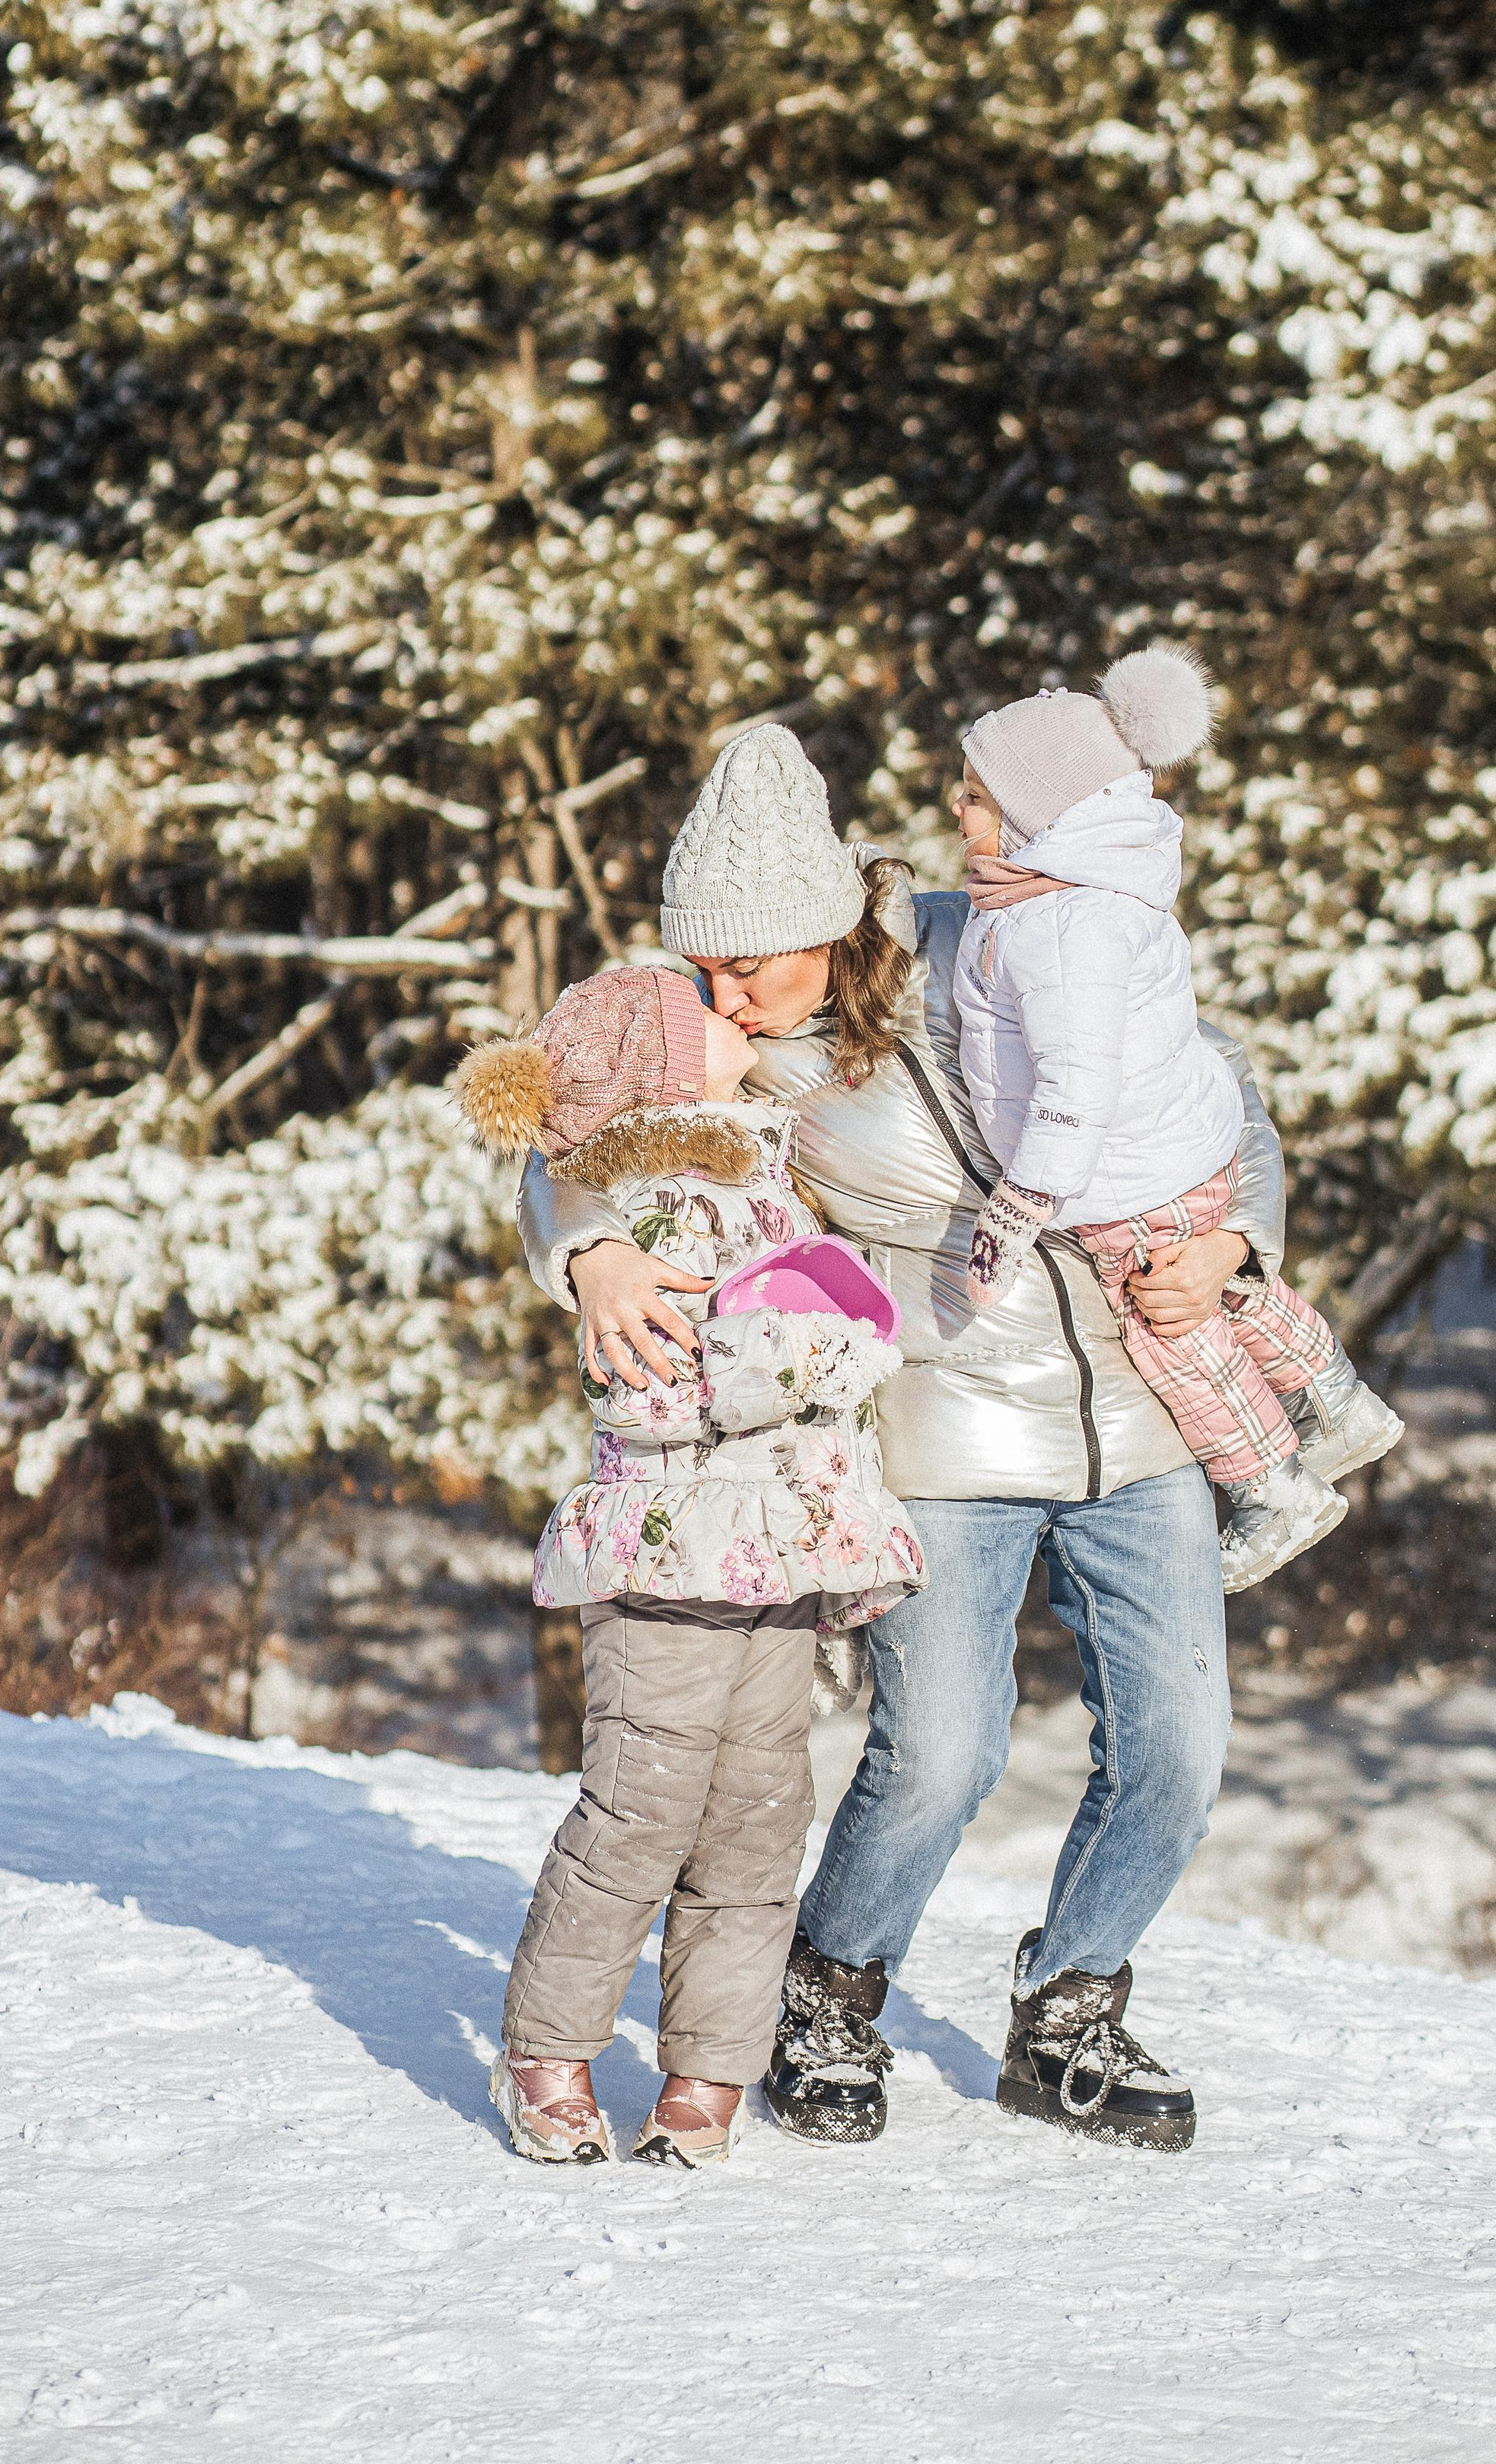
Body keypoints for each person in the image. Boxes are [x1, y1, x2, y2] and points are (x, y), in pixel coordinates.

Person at [520, 722, 1285, 2154]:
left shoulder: (993, 935)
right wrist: (594, 1255)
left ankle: (1071, 2006)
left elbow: (1217, 1089)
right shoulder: (718, 1038)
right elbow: (564, 1130)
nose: (724, 989)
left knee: (1179, 1749)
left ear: (826, 918)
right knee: (942, 1751)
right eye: (708, 964)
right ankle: (829, 1991)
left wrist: (1241, 1237)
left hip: (1140, 1405)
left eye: (753, 960)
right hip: (940, 1419)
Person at [455, 964, 921, 2170]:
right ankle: (549, 2051)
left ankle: (712, 2061)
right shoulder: (641, 1203)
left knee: (757, 1823)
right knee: (638, 1814)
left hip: (779, 1558)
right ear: (654, 1067)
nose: (740, 1014)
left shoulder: (772, 1175)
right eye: (706, 1014)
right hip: (669, 1552)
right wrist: (824, 1357)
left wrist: (830, 1336)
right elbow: (655, 1388)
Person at [951, 645, 1402, 1593]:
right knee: (1222, 1288)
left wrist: (1019, 1203)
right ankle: (1335, 1399)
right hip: (1171, 1156)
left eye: (976, 798)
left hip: (1124, 1177)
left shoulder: (1060, 929)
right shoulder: (1068, 903)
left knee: (1173, 1327)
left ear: (1043, 817)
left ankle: (1275, 1490)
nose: (956, 810)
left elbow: (1076, 1088)